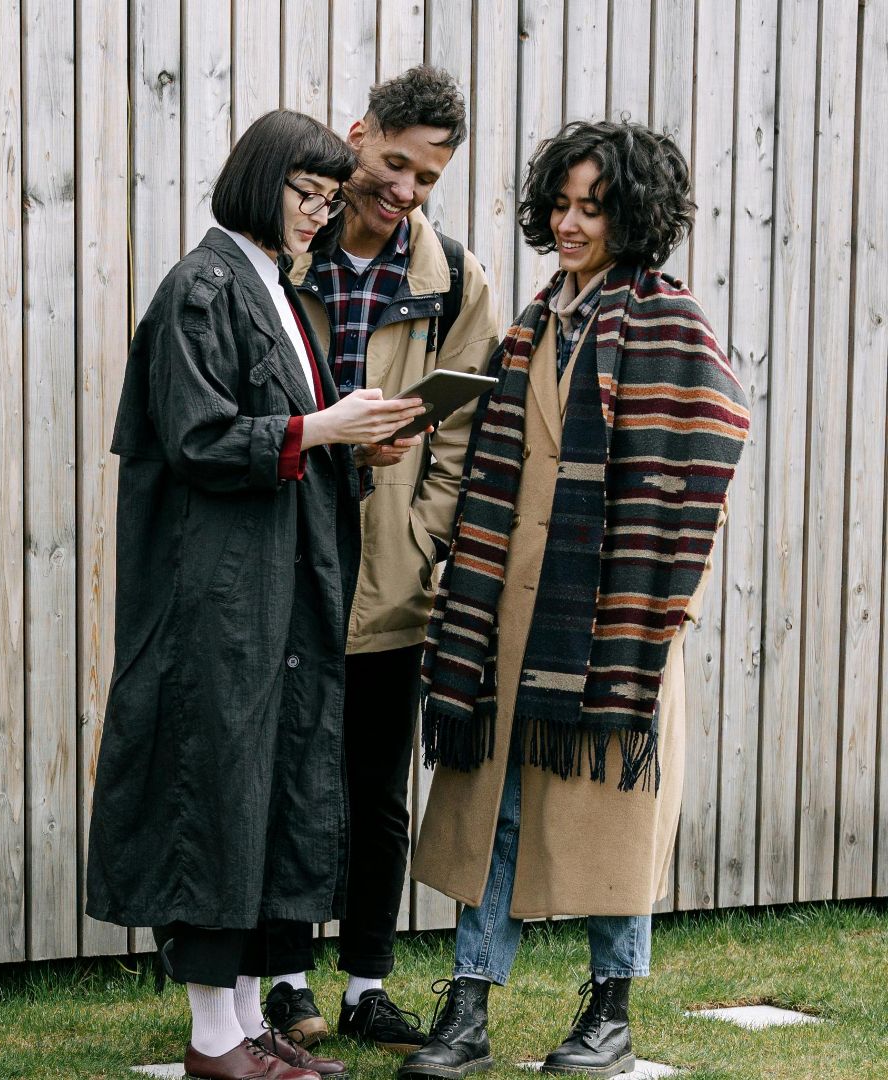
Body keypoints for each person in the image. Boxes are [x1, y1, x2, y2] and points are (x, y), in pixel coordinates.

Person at [399, 120, 751, 1079]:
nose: (568, 222)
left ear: (632, 215)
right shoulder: (532, 325)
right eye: (559, 203)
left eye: (591, 207)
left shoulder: (665, 321)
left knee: (612, 820)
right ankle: (467, 1007)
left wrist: (655, 595)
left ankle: (610, 1014)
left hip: (615, 628)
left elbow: (708, 447)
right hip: (510, 623)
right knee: (497, 813)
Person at [84, 108, 427, 1080]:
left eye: (330, 198)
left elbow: (285, 435)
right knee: (212, 801)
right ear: (259, 181)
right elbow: (199, 437)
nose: (320, 213)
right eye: (306, 193)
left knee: (256, 806)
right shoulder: (202, 286)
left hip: (270, 603)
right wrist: (322, 430)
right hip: (213, 604)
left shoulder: (272, 285)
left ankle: (244, 1024)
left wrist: (354, 440)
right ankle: (212, 1043)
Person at [262, 65, 502, 1057]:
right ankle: (280, 979)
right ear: (357, 136)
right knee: (278, 778)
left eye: (427, 179)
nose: (403, 191)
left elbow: (468, 434)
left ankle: (365, 983)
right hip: (287, 565)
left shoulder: (456, 279)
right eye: (391, 164)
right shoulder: (285, 260)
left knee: (375, 788)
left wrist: (421, 536)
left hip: (395, 579)